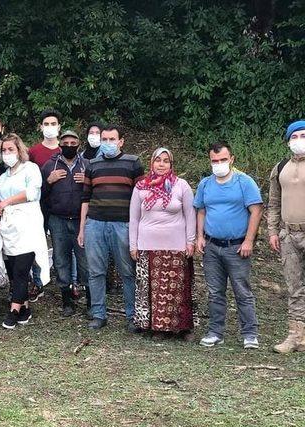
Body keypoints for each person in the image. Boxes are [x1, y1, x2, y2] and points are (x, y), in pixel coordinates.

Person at [195, 142, 263, 349]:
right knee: (215, 292)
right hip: (212, 246)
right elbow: (201, 210)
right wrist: (199, 236)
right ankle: (215, 332)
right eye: (214, 161)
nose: (219, 164)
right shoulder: (205, 184)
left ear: (231, 159)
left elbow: (256, 210)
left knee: (242, 291)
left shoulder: (244, 182)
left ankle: (250, 333)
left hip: (237, 247)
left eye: (223, 160)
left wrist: (248, 240)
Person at [78, 125, 144, 331]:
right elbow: (85, 198)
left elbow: (141, 198)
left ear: (121, 141)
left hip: (123, 225)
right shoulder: (92, 164)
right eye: (104, 139)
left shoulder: (133, 163)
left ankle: (132, 315)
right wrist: (82, 228)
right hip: (95, 224)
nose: (107, 143)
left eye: (112, 139)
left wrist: (138, 230)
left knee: (127, 272)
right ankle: (98, 314)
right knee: (96, 271)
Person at [129, 148, 196, 338]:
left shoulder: (180, 185)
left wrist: (190, 241)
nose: (161, 164)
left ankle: (180, 328)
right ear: (151, 163)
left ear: (171, 164)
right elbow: (133, 218)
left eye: (166, 161)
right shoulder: (141, 187)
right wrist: (133, 245)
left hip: (176, 245)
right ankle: (156, 328)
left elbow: (190, 215)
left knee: (176, 289)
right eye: (158, 160)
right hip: (148, 245)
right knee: (153, 289)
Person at [0, 134, 50, 329]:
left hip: (28, 225)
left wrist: (7, 202)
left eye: (11, 149)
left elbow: (33, 192)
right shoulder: (2, 177)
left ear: (19, 150)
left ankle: (14, 309)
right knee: (14, 269)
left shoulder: (31, 169)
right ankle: (25, 308)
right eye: (4, 150)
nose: (7, 153)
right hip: (9, 227)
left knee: (21, 268)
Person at [41, 130, 90, 317]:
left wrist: (87, 181)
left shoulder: (87, 165)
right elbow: (40, 194)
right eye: (66, 142)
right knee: (61, 260)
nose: (69, 145)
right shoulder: (49, 165)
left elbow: (95, 191)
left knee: (84, 260)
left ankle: (90, 301)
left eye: (73, 142)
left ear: (79, 144)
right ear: (60, 144)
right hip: (57, 219)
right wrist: (48, 181)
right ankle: (67, 300)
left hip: (80, 219)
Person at [269, 120, 305, 353]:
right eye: (295, 137)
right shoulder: (280, 167)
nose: (299, 141)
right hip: (289, 235)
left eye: (303, 135)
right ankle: (296, 336)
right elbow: (273, 202)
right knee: (294, 287)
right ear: (288, 141)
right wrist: (273, 231)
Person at [28, 108, 62, 301]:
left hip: (61, 205)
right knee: (36, 244)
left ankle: (67, 282)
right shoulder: (33, 151)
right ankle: (37, 282)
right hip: (38, 206)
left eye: (53, 124)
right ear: (41, 127)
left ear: (59, 126)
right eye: (46, 124)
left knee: (62, 244)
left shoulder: (65, 148)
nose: (50, 128)